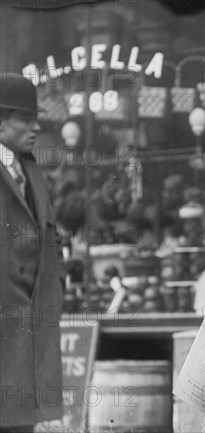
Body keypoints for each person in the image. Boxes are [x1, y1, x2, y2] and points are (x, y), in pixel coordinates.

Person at [0, 74, 66, 432]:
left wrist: (55, 284)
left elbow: (49, 236)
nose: (36, 126)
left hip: (33, 320)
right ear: (1, 120)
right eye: (26, 119)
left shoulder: (30, 168)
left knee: (22, 421)